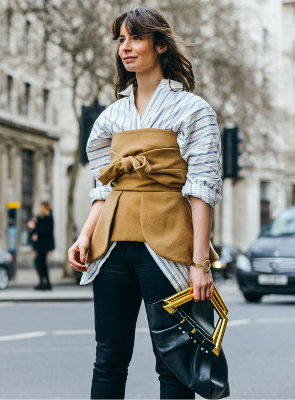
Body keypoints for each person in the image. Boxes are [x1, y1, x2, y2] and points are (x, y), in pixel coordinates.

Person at [67, 7, 222, 400]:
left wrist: (199, 262)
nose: (126, 48)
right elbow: (104, 187)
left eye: (135, 38)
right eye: (121, 40)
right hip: (112, 246)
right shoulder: (110, 116)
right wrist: (85, 235)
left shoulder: (193, 109)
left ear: (161, 45)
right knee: (108, 358)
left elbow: (201, 188)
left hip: (168, 245)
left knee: (173, 362)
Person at [28, 201, 55, 290]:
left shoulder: (48, 217)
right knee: (42, 263)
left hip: (44, 245)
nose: (40, 209)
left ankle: (44, 283)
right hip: (41, 245)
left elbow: (45, 230)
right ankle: (45, 283)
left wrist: (35, 230)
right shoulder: (41, 217)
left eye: (42, 207)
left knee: (39, 262)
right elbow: (37, 228)